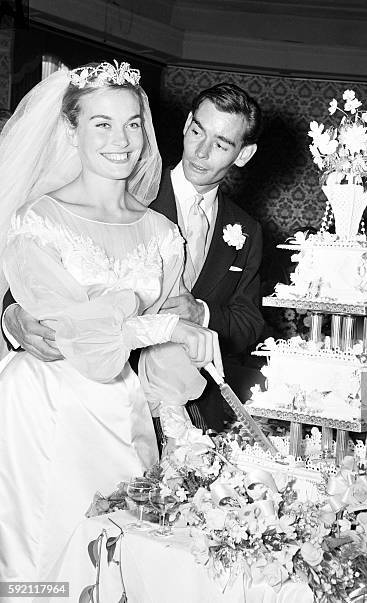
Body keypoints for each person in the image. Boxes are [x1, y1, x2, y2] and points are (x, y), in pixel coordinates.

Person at [0, 61, 219, 581]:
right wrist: (168, 328)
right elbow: (82, 330)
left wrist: (178, 425)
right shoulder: (39, 219)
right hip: (45, 404)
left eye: (132, 123)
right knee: (42, 557)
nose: (122, 140)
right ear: (72, 130)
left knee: (115, 559)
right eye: (102, 123)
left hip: (122, 407)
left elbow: (168, 334)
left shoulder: (164, 233)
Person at [3, 82, 266, 433]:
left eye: (220, 144)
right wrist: (12, 316)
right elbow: (34, 284)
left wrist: (198, 313)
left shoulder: (243, 229)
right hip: (55, 401)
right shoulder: (120, 185)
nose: (201, 152)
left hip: (165, 401)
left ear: (243, 154)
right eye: (198, 132)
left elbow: (249, 322)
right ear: (187, 123)